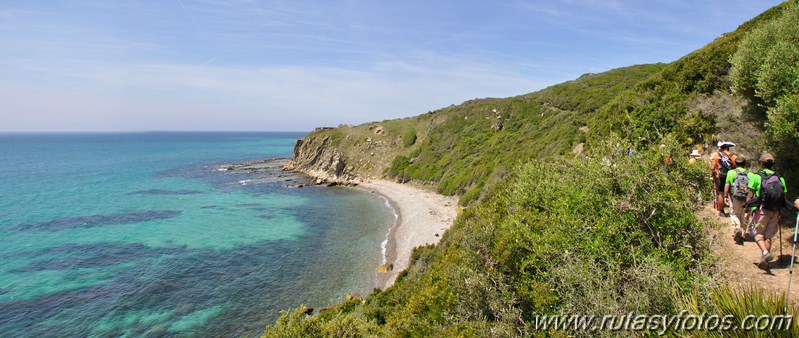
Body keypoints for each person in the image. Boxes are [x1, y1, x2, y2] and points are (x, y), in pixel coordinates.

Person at [745, 153, 787, 271]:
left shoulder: (756, 176)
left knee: (756, 232)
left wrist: (747, 208)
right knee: (768, 236)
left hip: (762, 210)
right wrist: (780, 214)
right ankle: (764, 260)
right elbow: (783, 198)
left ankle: (764, 252)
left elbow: (750, 194)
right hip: (775, 211)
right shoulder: (780, 178)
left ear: (761, 163)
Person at [724, 156, 755, 244]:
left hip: (735, 197)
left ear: (735, 163)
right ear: (744, 164)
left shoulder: (731, 172)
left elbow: (727, 185)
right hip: (747, 198)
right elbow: (753, 188)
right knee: (745, 215)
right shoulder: (751, 174)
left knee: (734, 213)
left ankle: (737, 229)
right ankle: (744, 232)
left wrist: (726, 196)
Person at [711, 142, 737, 217]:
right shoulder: (733, 156)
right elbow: (736, 166)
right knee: (731, 194)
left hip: (721, 177)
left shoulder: (717, 156)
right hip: (731, 176)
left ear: (722, 148)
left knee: (721, 194)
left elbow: (712, 168)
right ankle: (733, 211)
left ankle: (720, 211)